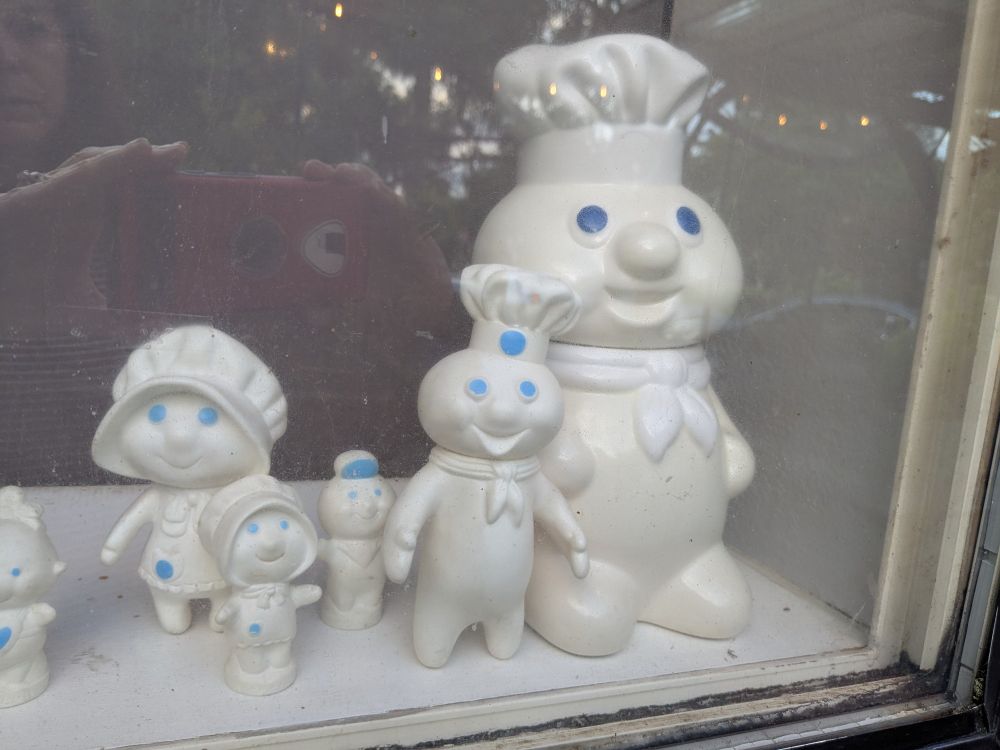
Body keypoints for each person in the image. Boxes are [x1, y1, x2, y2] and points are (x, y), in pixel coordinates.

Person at [0, 0, 455, 484]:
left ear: (75, 52)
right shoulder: (122, 206)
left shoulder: (141, 211)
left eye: (29, 30)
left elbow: (265, 452)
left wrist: (431, 317)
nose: (6, 56)